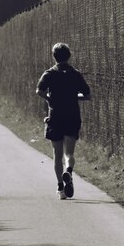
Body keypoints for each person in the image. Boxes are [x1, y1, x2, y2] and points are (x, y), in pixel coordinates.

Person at [36, 42, 90, 200]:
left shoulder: (49, 73)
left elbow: (39, 90)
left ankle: (60, 187)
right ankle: (69, 171)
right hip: (72, 115)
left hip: (55, 116)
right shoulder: (75, 74)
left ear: (54, 57)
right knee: (69, 152)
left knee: (57, 153)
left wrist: (49, 99)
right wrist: (75, 96)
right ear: (69, 56)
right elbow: (87, 95)